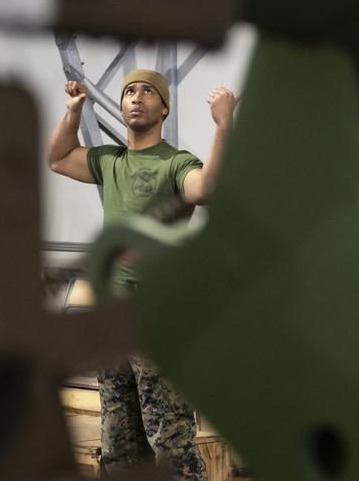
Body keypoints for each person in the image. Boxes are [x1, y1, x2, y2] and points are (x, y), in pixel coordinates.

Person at [47, 68, 237, 481]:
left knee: (170, 443)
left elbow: (205, 189)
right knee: (119, 444)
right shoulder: (111, 161)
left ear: (164, 107)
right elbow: (58, 158)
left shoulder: (176, 163)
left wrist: (224, 125)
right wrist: (74, 113)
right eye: (129, 91)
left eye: (147, 91)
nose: (135, 97)